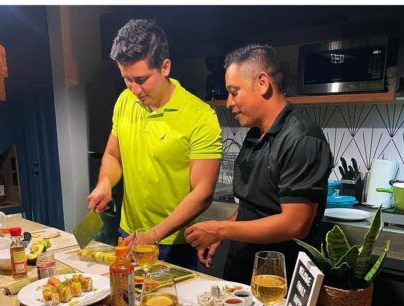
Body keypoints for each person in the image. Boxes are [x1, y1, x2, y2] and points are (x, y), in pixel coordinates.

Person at [185, 44, 333, 283]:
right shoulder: (255, 134)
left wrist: (219, 229)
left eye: (234, 92)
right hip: (243, 271)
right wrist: (222, 232)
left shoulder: (302, 138)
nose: (229, 103)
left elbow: (295, 224)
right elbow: (252, 206)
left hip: (281, 278)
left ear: (263, 83)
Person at [87, 19, 222, 269]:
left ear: (165, 67)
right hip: (128, 235)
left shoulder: (200, 116)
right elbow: (113, 155)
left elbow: (202, 193)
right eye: (127, 79)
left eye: (141, 79)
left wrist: (154, 234)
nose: (134, 89)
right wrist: (105, 182)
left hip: (173, 244)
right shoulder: (124, 101)